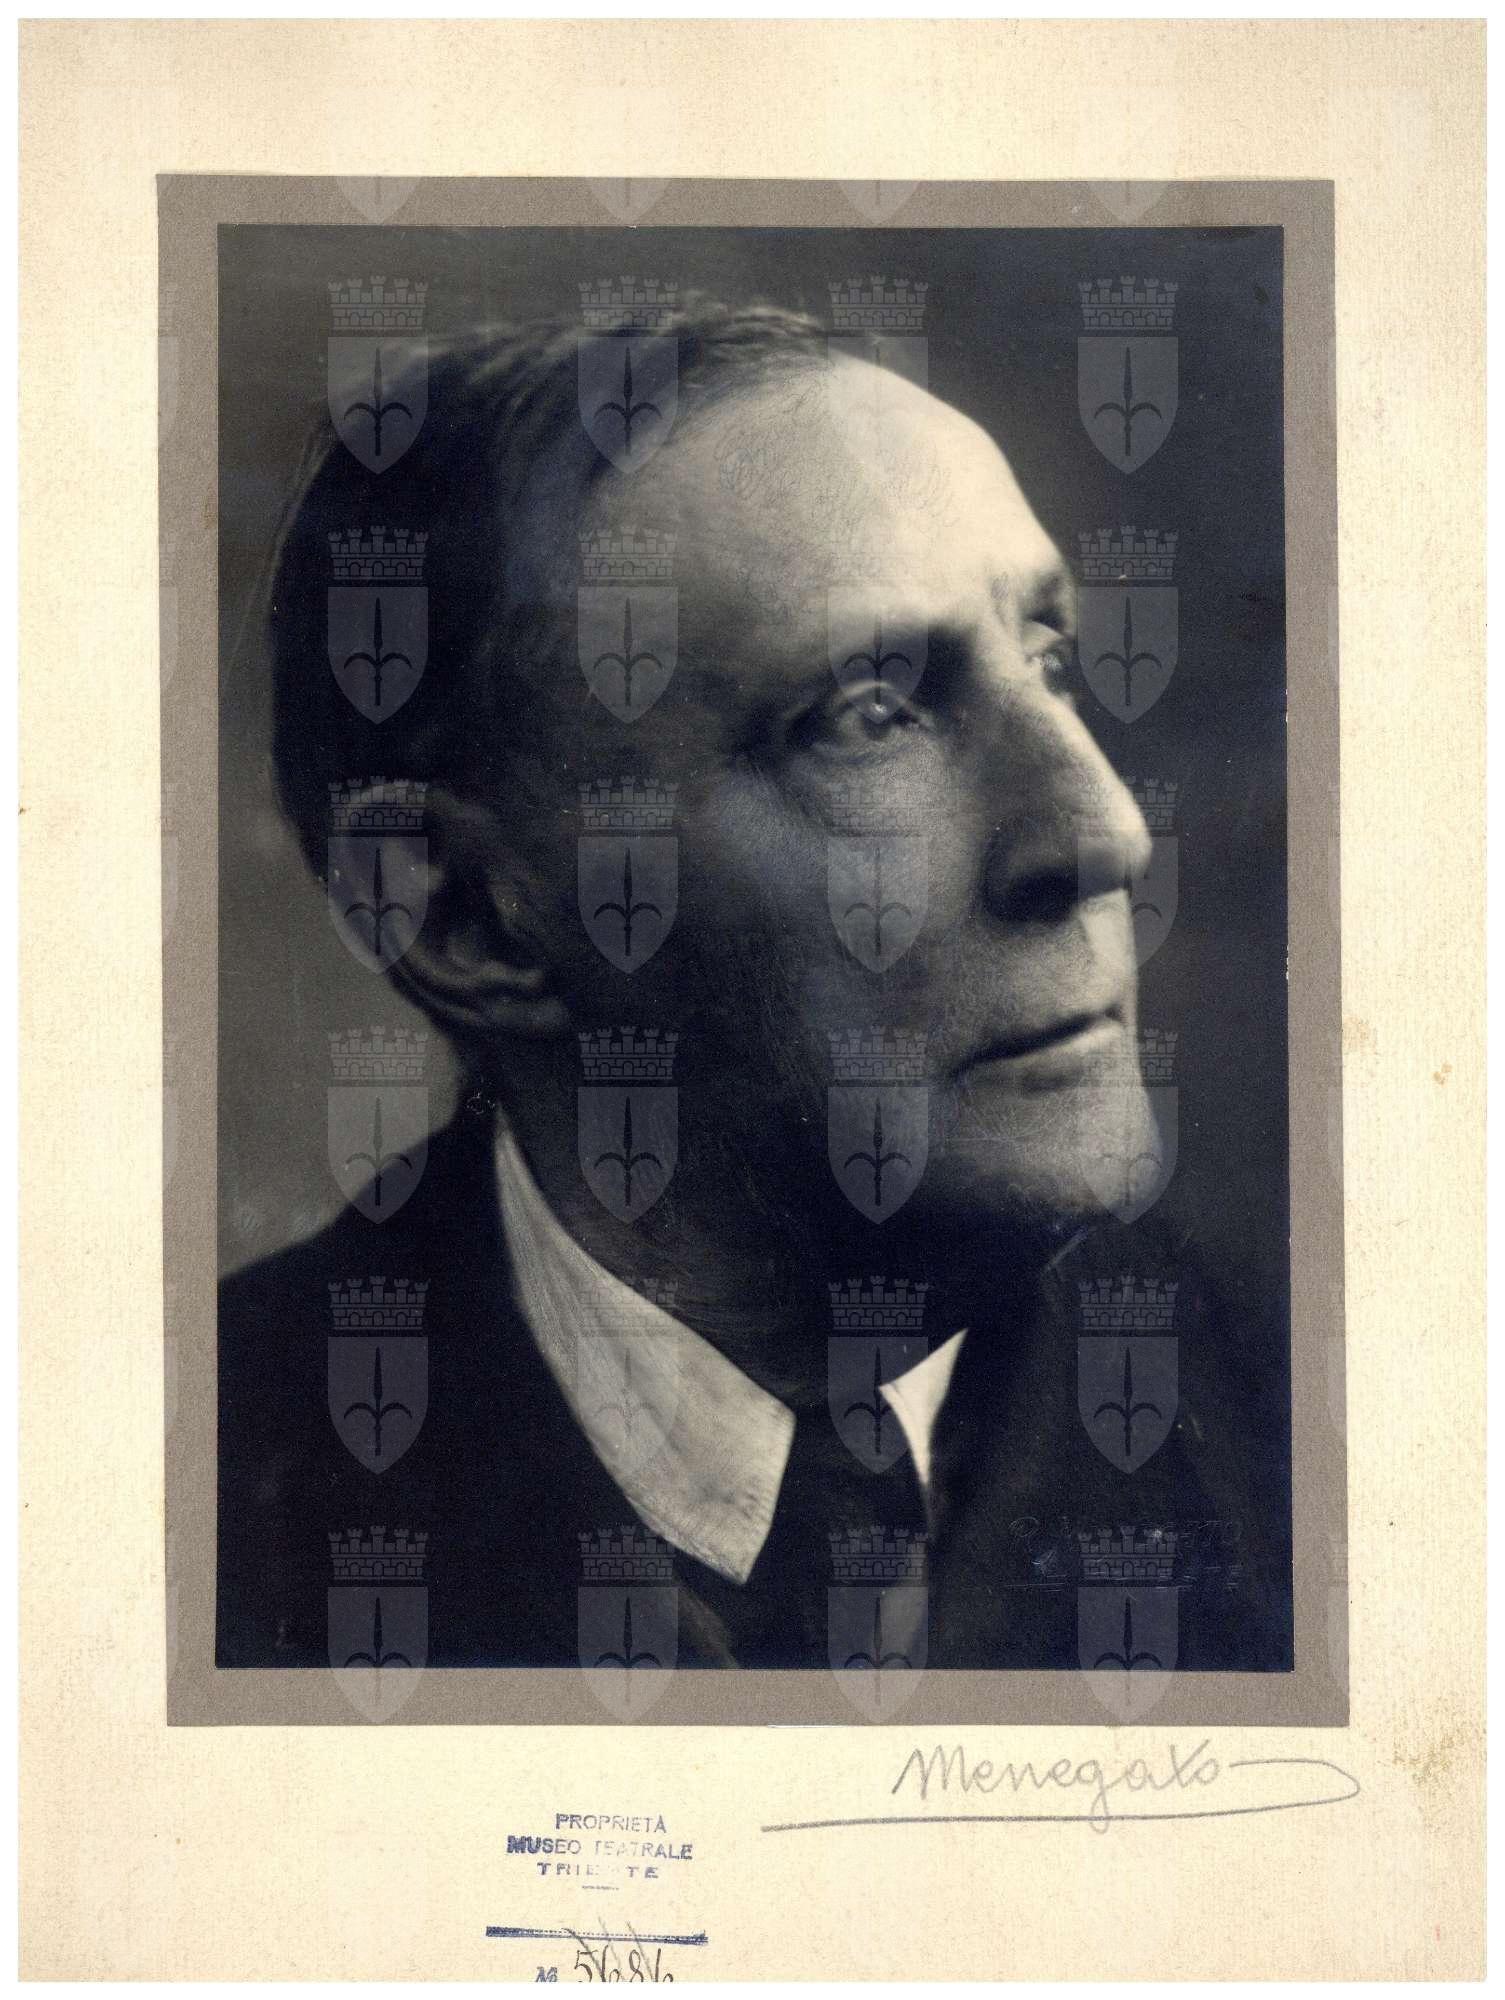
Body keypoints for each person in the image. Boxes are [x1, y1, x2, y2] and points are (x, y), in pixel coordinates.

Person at [218, 297, 1290, 1673]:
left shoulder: (1337, 1443)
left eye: (1049, 660)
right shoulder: (167, 1505)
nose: (1103, 833)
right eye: (868, 716)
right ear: (467, 917)